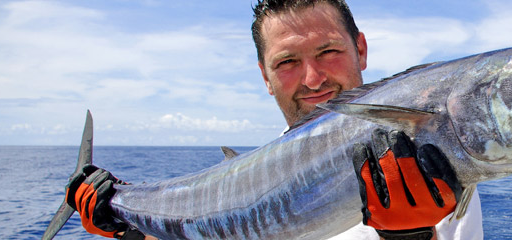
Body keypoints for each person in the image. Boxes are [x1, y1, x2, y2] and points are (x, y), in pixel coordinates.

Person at [65, 1, 484, 239]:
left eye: (328, 52)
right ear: (265, 76)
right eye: (287, 62)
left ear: (361, 49)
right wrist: (126, 228)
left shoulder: (432, 166)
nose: (313, 78)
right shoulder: (255, 171)